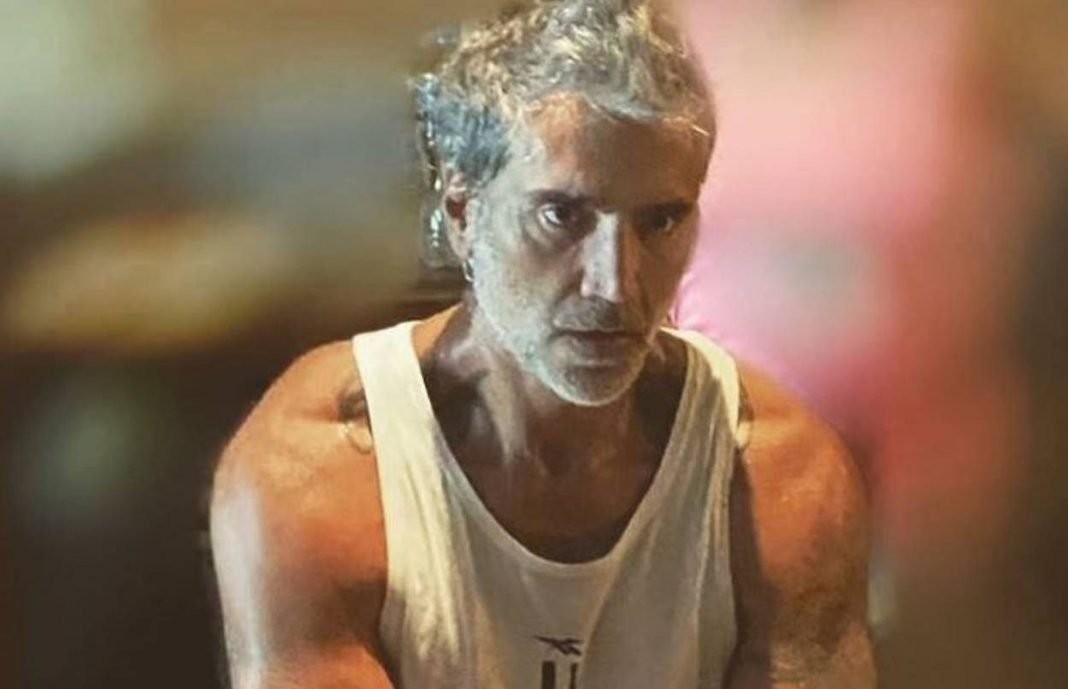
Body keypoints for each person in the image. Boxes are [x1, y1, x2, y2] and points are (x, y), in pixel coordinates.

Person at [210, 1, 875, 687]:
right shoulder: (320, 464)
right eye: (562, 214)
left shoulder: (780, 472)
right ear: (463, 213)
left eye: (660, 221)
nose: (614, 284)